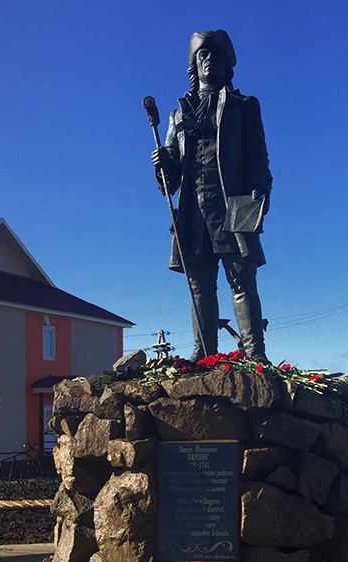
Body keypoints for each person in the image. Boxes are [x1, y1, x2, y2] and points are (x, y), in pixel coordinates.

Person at [151, 29, 272, 362]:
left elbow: (258, 157)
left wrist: (259, 195)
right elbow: (170, 182)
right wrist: (161, 165)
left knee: (242, 279)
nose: (209, 60)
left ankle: (254, 353)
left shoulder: (245, 107)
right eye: (202, 55)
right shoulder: (178, 116)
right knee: (200, 286)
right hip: (193, 210)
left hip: (235, 204)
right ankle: (204, 354)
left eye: (215, 54)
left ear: (227, 63)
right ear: (193, 65)